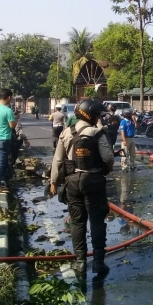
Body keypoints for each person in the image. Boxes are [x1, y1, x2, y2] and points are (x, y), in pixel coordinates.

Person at [50, 99, 114, 275]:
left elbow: (58, 159)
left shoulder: (66, 133)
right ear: (90, 115)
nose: (97, 118)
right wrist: (106, 170)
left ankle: (80, 262)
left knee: (77, 222)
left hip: (72, 182)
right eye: (96, 115)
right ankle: (99, 263)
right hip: (93, 181)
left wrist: (53, 181)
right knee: (97, 222)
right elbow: (108, 158)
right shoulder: (97, 133)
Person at [0, 89, 17, 193]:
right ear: (9, 97)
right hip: (4, 139)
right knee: (0, 163)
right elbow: (11, 125)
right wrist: (15, 121)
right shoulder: (8, 111)